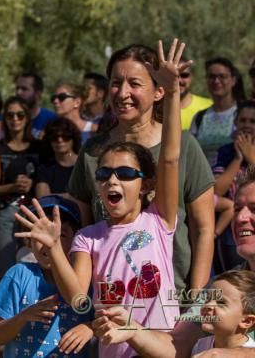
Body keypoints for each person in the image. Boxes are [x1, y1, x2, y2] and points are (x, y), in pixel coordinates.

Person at [18, 40, 186, 357]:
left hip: (159, 348)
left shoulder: (159, 220)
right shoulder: (87, 238)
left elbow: (170, 159)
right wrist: (54, 249)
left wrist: (173, 91)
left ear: (147, 183)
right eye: (104, 174)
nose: (112, 179)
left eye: (125, 174)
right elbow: (79, 298)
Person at [67, 43, 215, 294]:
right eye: (116, 83)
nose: (122, 93)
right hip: (111, 303)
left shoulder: (185, 146)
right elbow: (85, 228)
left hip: (171, 299)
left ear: (158, 91)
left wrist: (196, 299)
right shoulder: (92, 152)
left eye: (134, 84)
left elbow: (204, 229)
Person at [93, 168, 255, 357]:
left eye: (253, 209)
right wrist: (133, 330)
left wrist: (241, 354)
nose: (241, 218)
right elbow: (177, 344)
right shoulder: (222, 287)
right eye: (237, 209)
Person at [0, 195, 92, 358]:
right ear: (28, 242)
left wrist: (90, 327)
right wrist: (24, 316)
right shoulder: (19, 274)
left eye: (61, 235)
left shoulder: (86, 280)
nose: (49, 242)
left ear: (76, 241)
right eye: (39, 235)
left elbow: (107, 323)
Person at [0, 96, 42, 288]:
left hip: (34, 214)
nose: (15, 119)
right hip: (3, 213)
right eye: (10, 115)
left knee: (35, 268)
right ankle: (2, 316)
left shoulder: (39, 147)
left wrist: (32, 183)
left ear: (27, 118)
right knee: (2, 270)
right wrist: (11, 187)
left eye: (20, 115)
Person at [212, 100, 255, 271]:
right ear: (235, 122)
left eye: (253, 121)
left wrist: (250, 157)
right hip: (230, 232)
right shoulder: (225, 152)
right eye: (243, 120)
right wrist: (238, 158)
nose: (247, 125)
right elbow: (216, 190)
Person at [191, 57, 246, 166]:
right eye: (212, 76)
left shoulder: (244, 114)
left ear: (233, 80)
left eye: (222, 76)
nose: (216, 81)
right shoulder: (199, 118)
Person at [191, 270, 255, 354]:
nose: (208, 305)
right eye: (208, 299)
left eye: (221, 302)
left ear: (246, 321)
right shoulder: (200, 345)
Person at [35, 118, 81, 197]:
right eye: (54, 137)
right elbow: (42, 198)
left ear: (73, 138)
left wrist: (54, 196)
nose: (60, 140)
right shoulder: (45, 168)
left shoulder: (84, 165)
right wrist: (71, 196)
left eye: (65, 136)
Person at [15, 71, 57, 138]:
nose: (18, 92)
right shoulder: (9, 119)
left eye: (24, 89)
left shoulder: (52, 120)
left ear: (38, 93)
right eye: (17, 88)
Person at [178, 58, 212, 131]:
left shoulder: (209, 106)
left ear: (192, 77)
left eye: (184, 75)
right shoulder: (156, 108)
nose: (179, 80)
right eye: (174, 76)